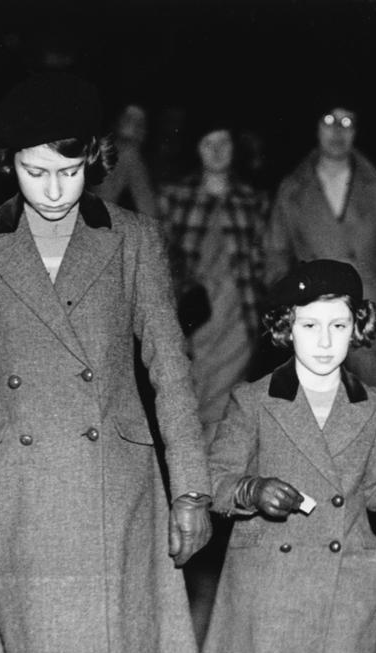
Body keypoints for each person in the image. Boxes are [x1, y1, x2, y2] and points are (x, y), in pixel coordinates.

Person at [0, 72, 213, 653]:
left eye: (68, 172)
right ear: (5, 164)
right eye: (34, 171)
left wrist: (190, 489)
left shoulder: (132, 236)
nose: (52, 190)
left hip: (116, 482)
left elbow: (171, 369)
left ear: (94, 160)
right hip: (21, 487)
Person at [193, 260, 376, 653]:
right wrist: (251, 489)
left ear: (358, 328)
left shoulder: (375, 406)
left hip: (345, 583)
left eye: (339, 325)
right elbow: (214, 478)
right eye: (310, 325)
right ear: (287, 329)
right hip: (269, 588)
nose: (325, 341)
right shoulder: (253, 401)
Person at [267, 103, 376, 389]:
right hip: (312, 307)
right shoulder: (293, 188)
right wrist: (284, 309)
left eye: (347, 122)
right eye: (329, 120)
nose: (337, 131)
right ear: (315, 126)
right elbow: (276, 253)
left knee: (369, 399)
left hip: (367, 314)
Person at [159, 119, 271, 444]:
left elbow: (263, 261)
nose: (218, 151)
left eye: (225, 142)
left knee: (225, 413)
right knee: (186, 406)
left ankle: (216, 485)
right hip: (191, 323)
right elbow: (160, 258)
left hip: (238, 323)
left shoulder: (253, 201)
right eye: (209, 143)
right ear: (197, 148)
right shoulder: (174, 197)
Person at [95, 102, 159, 217]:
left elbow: (148, 208)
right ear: (115, 122)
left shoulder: (138, 161)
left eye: (140, 123)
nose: (134, 127)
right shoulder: (97, 154)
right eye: (128, 119)